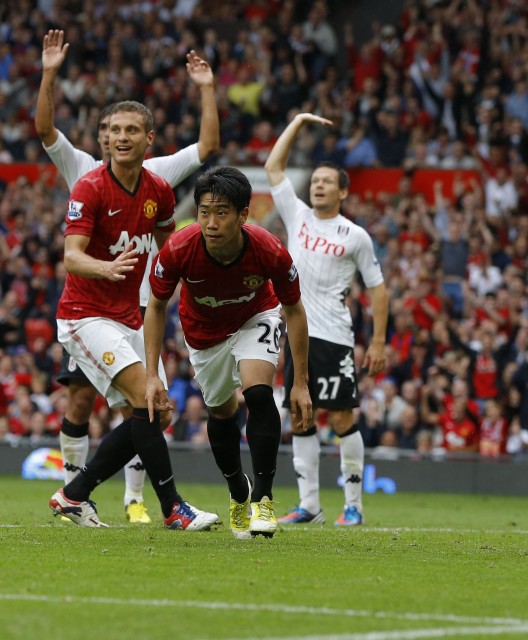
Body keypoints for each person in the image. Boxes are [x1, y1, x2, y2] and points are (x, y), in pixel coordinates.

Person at [36, 29, 220, 524]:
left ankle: (75, 493)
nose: (121, 137)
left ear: (148, 138)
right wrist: (50, 74)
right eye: (113, 130)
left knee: (155, 412)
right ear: (102, 137)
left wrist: (194, 284)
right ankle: (172, 508)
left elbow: (169, 243)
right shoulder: (88, 181)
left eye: (131, 130)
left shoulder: (158, 184)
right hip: (84, 314)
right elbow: (72, 257)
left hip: (129, 316)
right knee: (129, 399)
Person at [144, 166, 313, 539]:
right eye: (205, 211)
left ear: (243, 215)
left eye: (222, 212)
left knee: (258, 393)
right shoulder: (179, 248)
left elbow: (296, 311)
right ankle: (239, 491)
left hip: (256, 315)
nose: (211, 221)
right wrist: (152, 372)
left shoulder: (268, 249)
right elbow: (155, 307)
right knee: (221, 412)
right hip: (203, 333)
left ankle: (264, 501)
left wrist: (300, 382)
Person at [264, 113, 389, 526]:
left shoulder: (354, 235)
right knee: (301, 415)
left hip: (334, 338)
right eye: (314, 180)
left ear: (343, 191)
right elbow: (273, 168)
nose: (317, 184)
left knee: (340, 418)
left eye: (326, 181)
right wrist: (297, 122)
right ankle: (310, 506)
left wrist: (377, 341)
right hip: (296, 336)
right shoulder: (297, 216)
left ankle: (353, 505)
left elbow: (378, 287)